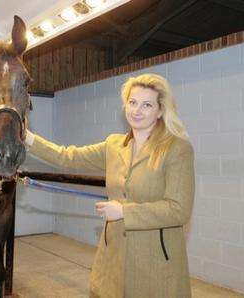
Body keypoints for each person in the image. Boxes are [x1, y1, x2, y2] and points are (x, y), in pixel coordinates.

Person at [25, 73, 195, 297]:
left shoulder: (176, 148)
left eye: (146, 105)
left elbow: (178, 209)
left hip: (154, 259)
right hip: (113, 254)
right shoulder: (114, 145)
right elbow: (68, 157)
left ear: (160, 111)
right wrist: (28, 139)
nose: (137, 110)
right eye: (132, 102)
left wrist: (124, 211)